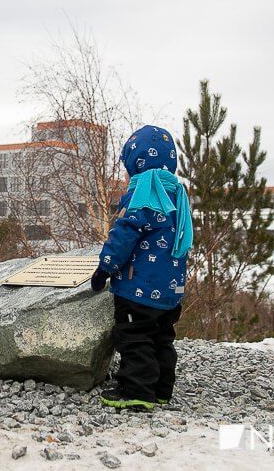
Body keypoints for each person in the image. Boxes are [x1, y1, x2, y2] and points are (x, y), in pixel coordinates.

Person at [90, 125, 193, 410]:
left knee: (135, 337)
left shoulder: (143, 193)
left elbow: (124, 235)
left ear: (135, 163)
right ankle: (162, 389)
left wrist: (104, 269)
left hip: (138, 289)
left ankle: (136, 390)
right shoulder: (176, 193)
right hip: (170, 289)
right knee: (162, 337)